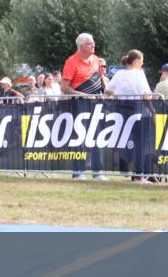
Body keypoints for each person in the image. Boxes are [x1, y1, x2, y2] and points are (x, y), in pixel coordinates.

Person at [105, 49, 153, 183]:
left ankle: (126, 163)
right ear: (137, 61)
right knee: (140, 144)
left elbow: (107, 89)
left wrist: (118, 93)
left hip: (121, 107)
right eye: (142, 60)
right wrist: (153, 110)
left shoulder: (119, 74)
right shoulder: (139, 74)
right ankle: (138, 175)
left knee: (125, 139)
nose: (143, 63)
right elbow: (145, 95)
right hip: (137, 108)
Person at [61, 33, 104, 179]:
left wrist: (109, 90)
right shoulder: (71, 62)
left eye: (93, 43)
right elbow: (64, 87)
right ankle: (78, 172)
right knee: (80, 137)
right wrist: (82, 95)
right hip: (79, 104)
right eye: (90, 44)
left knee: (97, 136)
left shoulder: (96, 59)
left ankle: (98, 172)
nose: (93, 45)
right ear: (81, 46)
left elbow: (101, 78)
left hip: (96, 104)